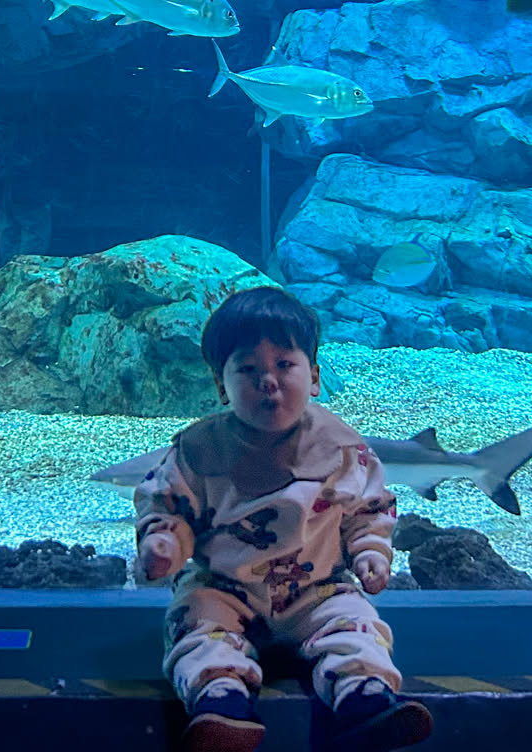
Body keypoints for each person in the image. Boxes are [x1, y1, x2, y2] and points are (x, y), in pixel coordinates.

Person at [134, 287, 431, 752]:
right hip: (225, 590)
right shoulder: (198, 451)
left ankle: (365, 699)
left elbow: (369, 509)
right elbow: (167, 506)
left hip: (318, 591)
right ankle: (221, 701)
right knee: (196, 626)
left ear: (314, 376)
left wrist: (371, 551)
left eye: (284, 365)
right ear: (220, 384)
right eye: (247, 370)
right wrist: (164, 543)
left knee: (356, 626)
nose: (268, 381)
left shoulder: (342, 448)